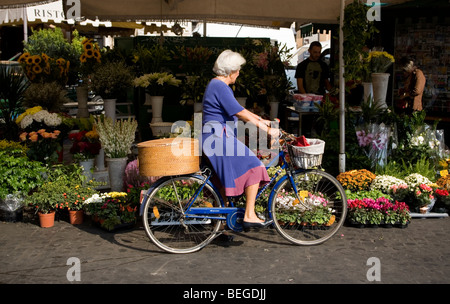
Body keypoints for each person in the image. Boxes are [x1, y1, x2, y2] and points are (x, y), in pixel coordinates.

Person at [202, 50, 279, 231]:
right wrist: (267, 130)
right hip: (218, 138)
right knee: (255, 166)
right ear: (231, 71)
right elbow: (240, 113)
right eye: (238, 70)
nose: (239, 73)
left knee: (220, 182)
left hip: (216, 137)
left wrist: (262, 120)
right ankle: (249, 215)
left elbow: (239, 108)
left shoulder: (218, 85)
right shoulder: (220, 86)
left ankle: (220, 225)